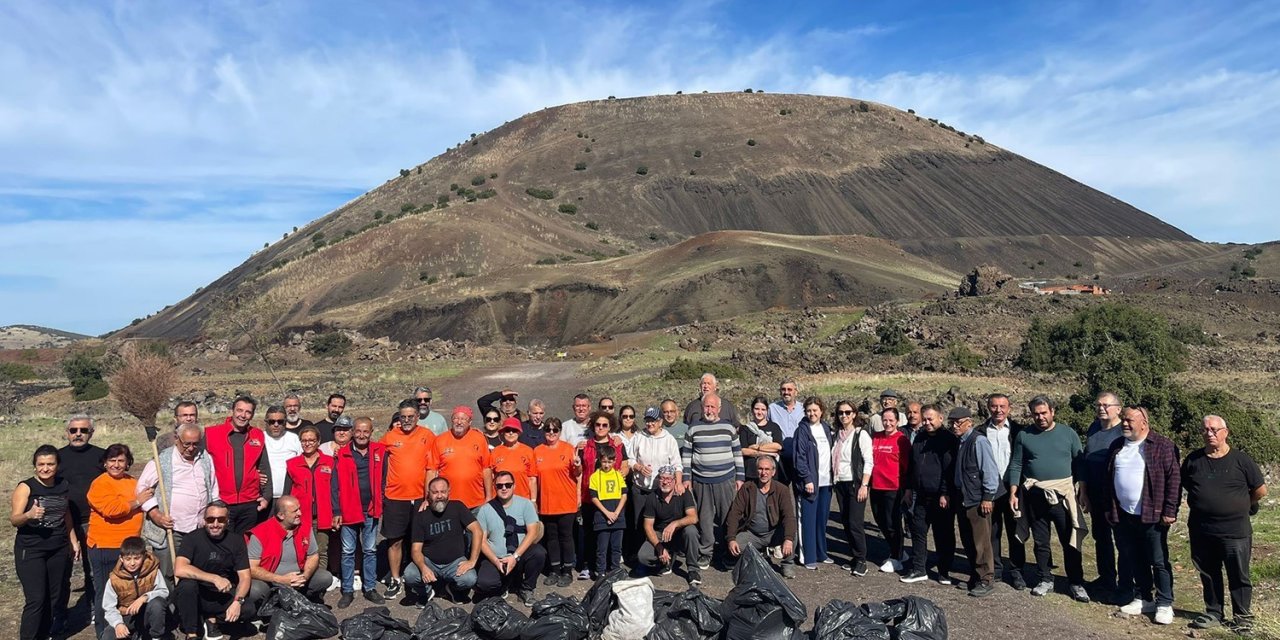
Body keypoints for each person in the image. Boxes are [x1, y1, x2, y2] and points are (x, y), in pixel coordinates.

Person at [1183, 415, 1267, 634]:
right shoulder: (1193, 460)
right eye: (1205, 430)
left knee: (1239, 574)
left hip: (1235, 530)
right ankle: (1214, 612)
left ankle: (1242, 617)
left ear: (1225, 432)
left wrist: (1242, 504)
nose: (1209, 433)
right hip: (1202, 529)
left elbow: (1260, 490)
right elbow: (1186, 487)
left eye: (1214, 429)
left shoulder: (1241, 460)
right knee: (1208, 573)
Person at [1008, 395, 1089, 602]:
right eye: (1036, 414)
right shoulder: (1024, 435)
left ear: (1052, 411)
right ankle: (1045, 578)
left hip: (1063, 496)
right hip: (1035, 496)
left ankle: (1076, 582)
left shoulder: (1068, 433)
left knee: (1069, 540)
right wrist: (1013, 491)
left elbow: (1079, 463)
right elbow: (1016, 463)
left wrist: (1083, 489)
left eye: (1044, 413)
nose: (1040, 417)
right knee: (1040, 541)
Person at [1102, 406, 1179, 625]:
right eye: (1123, 420)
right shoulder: (1117, 445)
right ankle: (1144, 597)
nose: (1124, 424)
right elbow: (1108, 479)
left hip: (1152, 514)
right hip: (1124, 514)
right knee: (1133, 556)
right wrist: (1109, 509)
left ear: (1144, 422)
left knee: (1158, 560)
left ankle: (1164, 603)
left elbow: (1174, 480)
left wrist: (1170, 510)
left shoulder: (1162, 446)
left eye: (1129, 420)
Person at [12, 445, 77, 640]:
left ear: (57, 466)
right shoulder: (26, 487)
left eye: (50, 464)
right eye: (41, 464)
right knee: (36, 599)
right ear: (35, 466)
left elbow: (66, 514)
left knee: (53, 598)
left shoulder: (63, 485)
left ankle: (43, 635)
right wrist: (29, 515)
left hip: (57, 547)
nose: (45, 468)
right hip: (31, 549)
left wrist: (73, 540)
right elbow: (14, 519)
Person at [138, 423, 219, 579]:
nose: (191, 448)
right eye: (186, 443)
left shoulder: (205, 457)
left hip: (199, 526)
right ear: (177, 439)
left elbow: (213, 487)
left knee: (196, 570)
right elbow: (142, 488)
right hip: (173, 528)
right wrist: (155, 514)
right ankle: (169, 602)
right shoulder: (163, 459)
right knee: (170, 572)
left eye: (195, 443)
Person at [87, 444, 151, 638]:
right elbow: (111, 510)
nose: (116, 465)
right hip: (105, 545)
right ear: (105, 463)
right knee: (106, 591)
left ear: (128, 463)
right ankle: (104, 632)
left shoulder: (133, 482)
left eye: (121, 460)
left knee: (129, 591)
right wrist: (137, 502)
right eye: (112, 460)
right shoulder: (100, 483)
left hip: (130, 547)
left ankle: (128, 629)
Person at [681, 393, 745, 570]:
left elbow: (737, 453)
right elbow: (687, 455)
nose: (709, 410)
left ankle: (728, 552)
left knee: (727, 517)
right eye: (706, 407)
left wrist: (740, 477)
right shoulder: (693, 428)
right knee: (705, 519)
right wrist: (687, 478)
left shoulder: (729, 427)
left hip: (726, 479)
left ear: (719, 409)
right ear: (702, 408)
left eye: (712, 407)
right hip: (701, 481)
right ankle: (706, 553)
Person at [380, 399, 435, 599]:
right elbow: (373, 456)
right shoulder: (389, 437)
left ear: (417, 417)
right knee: (394, 541)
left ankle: (420, 576)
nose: (406, 420)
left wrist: (429, 495)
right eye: (403, 417)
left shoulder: (427, 436)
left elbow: (432, 467)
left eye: (410, 417)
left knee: (419, 541)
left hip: (420, 498)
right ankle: (395, 579)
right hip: (395, 497)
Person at [173, 501, 251, 640]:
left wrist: (237, 602)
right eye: (210, 519)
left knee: (248, 610)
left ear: (227, 520)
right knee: (187, 586)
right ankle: (191, 633)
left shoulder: (236, 541)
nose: (215, 524)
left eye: (220, 519)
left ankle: (211, 619)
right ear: (204, 520)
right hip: (197, 593)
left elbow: (245, 576)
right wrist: (214, 578)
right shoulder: (192, 538)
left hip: (221, 594)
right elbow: (179, 569)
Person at [246, 495, 337, 614]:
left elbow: (313, 555)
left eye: (299, 509)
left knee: (325, 577)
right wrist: (281, 579)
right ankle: (265, 610)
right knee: (254, 590)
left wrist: (305, 576)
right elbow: (251, 568)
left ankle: (302, 600)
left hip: (299, 579)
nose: (300, 513)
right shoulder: (260, 533)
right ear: (281, 515)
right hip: (270, 581)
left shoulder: (304, 528)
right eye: (295, 511)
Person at [331, 417, 386, 608]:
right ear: (352, 432)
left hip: (370, 510)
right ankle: (347, 590)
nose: (362, 435)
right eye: (358, 431)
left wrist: (382, 500)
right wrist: (336, 510)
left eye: (366, 431)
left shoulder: (379, 452)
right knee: (348, 551)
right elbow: (335, 484)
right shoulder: (343, 454)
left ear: (371, 432)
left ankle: (370, 587)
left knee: (370, 550)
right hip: (348, 510)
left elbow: (384, 478)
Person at [948, 407, 1003, 598]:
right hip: (963, 498)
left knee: (981, 542)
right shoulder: (960, 442)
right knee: (968, 540)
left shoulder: (978, 441)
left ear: (969, 422)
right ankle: (974, 576)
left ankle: (986, 579)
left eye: (958, 422)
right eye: (952, 422)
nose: (954, 426)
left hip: (977, 500)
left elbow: (989, 471)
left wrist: (988, 497)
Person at [405, 478, 484, 603]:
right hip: (429, 561)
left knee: (469, 579)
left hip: (455, 562)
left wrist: (472, 561)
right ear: (428, 494)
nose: (440, 496)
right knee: (410, 575)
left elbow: (477, 531)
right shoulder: (421, 516)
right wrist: (423, 567)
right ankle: (427, 591)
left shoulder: (457, 507)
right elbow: (415, 549)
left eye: (443, 491)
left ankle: (452, 589)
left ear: (448, 492)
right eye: (435, 492)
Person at [903, 404, 957, 585]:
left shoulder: (948, 439)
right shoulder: (919, 437)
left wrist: (944, 493)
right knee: (918, 532)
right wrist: (909, 488)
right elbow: (912, 465)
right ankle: (919, 569)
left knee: (943, 535)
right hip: (921, 495)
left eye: (930, 419)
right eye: (924, 419)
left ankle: (944, 571)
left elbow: (948, 469)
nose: (926, 422)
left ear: (940, 418)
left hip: (940, 496)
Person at [977, 392, 1027, 589]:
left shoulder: (1019, 431)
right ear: (988, 408)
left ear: (1009, 408)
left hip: (1013, 489)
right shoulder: (980, 432)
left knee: (1016, 531)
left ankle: (1017, 572)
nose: (998, 410)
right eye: (994, 406)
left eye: (1002, 406)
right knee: (992, 531)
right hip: (990, 489)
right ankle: (996, 569)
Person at [475, 471, 546, 605]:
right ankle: (504, 583)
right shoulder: (485, 509)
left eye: (508, 485)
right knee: (484, 584)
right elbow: (481, 541)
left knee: (539, 553)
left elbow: (533, 532)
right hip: (496, 557)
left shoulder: (526, 504)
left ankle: (526, 588)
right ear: (494, 487)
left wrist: (515, 556)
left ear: (514, 486)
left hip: (519, 554)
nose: (504, 488)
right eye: (500, 485)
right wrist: (496, 561)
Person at [574, 411, 630, 579]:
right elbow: (580, 472)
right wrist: (578, 495)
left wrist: (619, 477)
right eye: (598, 424)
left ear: (610, 426)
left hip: (612, 496)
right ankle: (591, 567)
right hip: (591, 496)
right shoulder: (585, 446)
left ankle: (612, 569)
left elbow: (626, 466)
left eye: (604, 425)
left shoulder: (618, 444)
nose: (601, 428)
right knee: (591, 534)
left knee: (612, 537)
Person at [205, 395, 270, 534]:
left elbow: (264, 466)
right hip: (221, 501)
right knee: (222, 543)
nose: (243, 415)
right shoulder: (212, 434)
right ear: (232, 411)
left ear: (252, 414)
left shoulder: (257, 435)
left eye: (248, 412)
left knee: (243, 545)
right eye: (240, 410)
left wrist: (266, 497)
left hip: (250, 502)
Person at [726, 456, 797, 578]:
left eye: (767, 469)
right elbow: (734, 514)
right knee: (736, 545)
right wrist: (731, 539)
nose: (764, 473)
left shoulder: (782, 490)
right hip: (753, 533)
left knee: (792, 535)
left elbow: (789, 516)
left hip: (774, 532)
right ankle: (760, 554)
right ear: (756, 470)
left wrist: (788, 539)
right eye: (760, 469)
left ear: (773, 472)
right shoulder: (747, 488)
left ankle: (787, 564)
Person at [628, 407, 684, 563]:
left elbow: (677, 464)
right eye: (647, 420)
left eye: (653, 420)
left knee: (658, 524)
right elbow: (630, 459)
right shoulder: (639, 437)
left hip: (660, 491)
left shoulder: (669, 439)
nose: (649, 423)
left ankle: (664, 552)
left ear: (660, 422)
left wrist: (678, 482)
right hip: (641, 489)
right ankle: (639, 555)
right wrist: (638, 467)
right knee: (639, 523)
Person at [58, 414, 105, 597]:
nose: (78, 434)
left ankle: (94, 609)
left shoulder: (102, 456)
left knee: (93, 569)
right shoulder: (57, 457)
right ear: (67, 433)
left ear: (91, 433)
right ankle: (59, 614)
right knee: (62, 572)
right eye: (73, 430)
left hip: (93, 521)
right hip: (63, 522)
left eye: (83, 430)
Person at [283, 426, 336, 579]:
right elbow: (287, 491)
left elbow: (334, 490)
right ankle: (302, 581)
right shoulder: (292, 464)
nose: (307, 444)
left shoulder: (329, 462)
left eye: (311, 440)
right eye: (304, 441)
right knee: (301, 550)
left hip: (322, 515)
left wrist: (336, 512)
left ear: (318, 441)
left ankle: (318, 584)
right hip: (300, 515)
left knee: (321, 551)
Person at [534, 417, 582, 587]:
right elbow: (533, 478)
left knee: (566, 536)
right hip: (546, 502)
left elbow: (578, 473)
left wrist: (578, 465)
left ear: (560, 431)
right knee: (551, 538)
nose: (551, 433)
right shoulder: (537, 451)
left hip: (566, 501)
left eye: (555, 430)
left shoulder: (569, 449)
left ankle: (567, 570)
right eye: (548, 429)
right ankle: (554, 569)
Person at [639, 467, 701, 585]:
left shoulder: (683, 493)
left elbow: (693, 517)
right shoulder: (652, 497)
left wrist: (675, 524)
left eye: (668, 479)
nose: (665, 482)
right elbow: (648, 526)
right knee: (643, 557)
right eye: (662, 478)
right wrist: (659, 548)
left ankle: (693, 570)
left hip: (679, 533)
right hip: (661, 534)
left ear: (674, 480)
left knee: (691, 531)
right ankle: (666, 561)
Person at [832, 402, 874, 577]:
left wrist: (864, 485)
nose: (844, 416)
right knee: (846, 521)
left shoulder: (860, 434)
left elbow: (868, 461)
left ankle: (861, 560)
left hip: (855, 483)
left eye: (848, 412)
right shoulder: (837, 435)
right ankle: (854, 556)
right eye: (841, 413)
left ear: (854, 414)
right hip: (840, 482)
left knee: (855, 522)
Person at [792, 396, 833, 569]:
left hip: (826, 482)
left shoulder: (825, 428)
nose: (812, 413)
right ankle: (807, 556)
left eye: (815, 410)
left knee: (821, 520)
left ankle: (821, 552)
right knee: (807, 520)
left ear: (821, 411)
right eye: (809, 410)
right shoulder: (802, 430)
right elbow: (799, 458)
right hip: (810, 483)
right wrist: (807, 478)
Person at [100, 536, 168, 640]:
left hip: (148, 614)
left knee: (157, 604)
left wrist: (145, 597)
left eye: (137, 558)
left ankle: (156, 637)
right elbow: (109, 607)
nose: (132, 563)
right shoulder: (114, 580)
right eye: (128, 559)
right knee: (108, 636)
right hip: (127, 616)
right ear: (121, 559)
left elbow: (163, 592)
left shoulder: (153, 571)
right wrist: (118, 624)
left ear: (144, 556)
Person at [869, 406, 911, 572]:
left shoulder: (902, 440)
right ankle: (899, 550)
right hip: (876, 486)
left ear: (897, 422)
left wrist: (907, 489)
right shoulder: (876, 437)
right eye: (885, 420)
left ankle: (896, 557)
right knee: (880, 520)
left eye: (891, 421)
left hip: (893, 488)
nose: (887, 424)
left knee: (892, 522)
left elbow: (908, 467)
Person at [429, 406, 493, 511]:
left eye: (463, 419)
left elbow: (486, 468)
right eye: (456, 418)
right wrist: (429, 498)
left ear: (470, 422)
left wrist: (489, 496)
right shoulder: (440, 440)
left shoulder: (480, 438)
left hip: (476, 501)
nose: (459, 422)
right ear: (451, 420)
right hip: (448, 502)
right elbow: (432, 471)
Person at [588, 449, 627, 576]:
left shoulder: (618, 475)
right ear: (600, 461)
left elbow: (624, 495)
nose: (606, 465)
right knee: (602, 548)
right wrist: (607, 513)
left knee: (617, 548)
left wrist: (616, 512)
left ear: (614, 461)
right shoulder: (595, 476)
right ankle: (601, 573)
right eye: (604, 461)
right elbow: (594, 497)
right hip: (602, 516)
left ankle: (615, 571)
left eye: (609, 461)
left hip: (618, 515)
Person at [492, 418, 538, 502]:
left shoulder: (528, 451)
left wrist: (533, 500)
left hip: (523, 499)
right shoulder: (495, 451)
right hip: (500, 501)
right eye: (507, 430)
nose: (510, 433)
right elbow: (491, 477)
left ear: (519, 433)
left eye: (514, 430)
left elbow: (532, 479)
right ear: (503, 433)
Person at [262, 405, 302, 500]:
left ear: (285, 422)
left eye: (280, 422)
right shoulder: (259, 439)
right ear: (266, 422)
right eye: (272, 422)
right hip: (264, 497)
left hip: (289, 497)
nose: (276, 425)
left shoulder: (294, 438)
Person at [740, 396, 784, 483]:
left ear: (767, 411)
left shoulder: (774, 427)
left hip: (771, 473)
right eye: (757, 409)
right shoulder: (745, 429)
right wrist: (766, 452)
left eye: (763, 409)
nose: (760, 412)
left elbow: (778, 446)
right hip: (751, 473)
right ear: (752, 410)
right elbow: (743, 450)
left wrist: (757, 447)